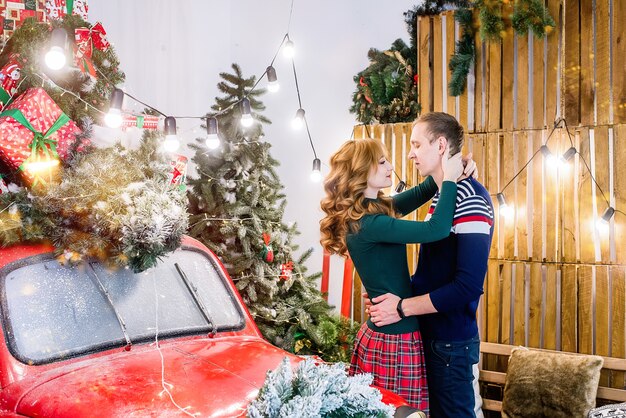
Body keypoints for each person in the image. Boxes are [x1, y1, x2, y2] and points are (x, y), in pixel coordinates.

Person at [319, 137, 468, 414]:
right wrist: (449, 179)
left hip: (389, 331)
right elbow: (436, 229)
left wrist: (453, 167)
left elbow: (424, 189)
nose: (391, 166)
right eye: (382, 161)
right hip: (394, 339)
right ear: (362, 171)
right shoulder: (370, 223)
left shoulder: (375, 209)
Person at [367, 112, 495, 418]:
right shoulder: (442, 195)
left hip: (450, 344)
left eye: (416, 144)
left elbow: (467, 286)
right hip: (432, 337)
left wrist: (401, 307)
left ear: (440, 145)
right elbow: (434, 273)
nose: (409, 153)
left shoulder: (471, 198)